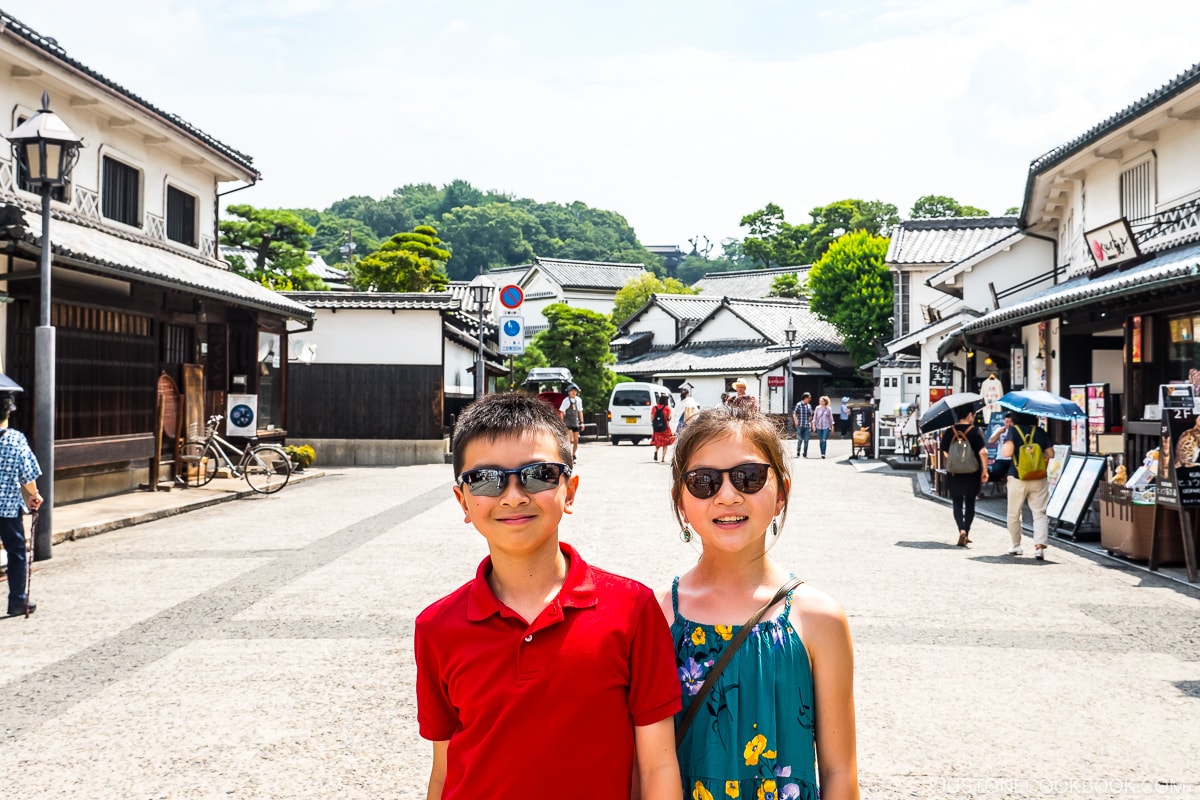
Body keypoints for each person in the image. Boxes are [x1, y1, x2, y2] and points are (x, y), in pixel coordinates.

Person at [415, 392, 682, 798]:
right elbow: (444, 770)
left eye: (538, 474)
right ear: (463, 501)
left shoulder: (632, 610)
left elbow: (658, 765)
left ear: (569, 491)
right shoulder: (437, 626)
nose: (513, 495)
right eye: (486, 478)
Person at [661, 405, 859, 799]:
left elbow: (839, 771)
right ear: (681, 501)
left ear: (782, 492)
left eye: (748, 478)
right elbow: (645, 765)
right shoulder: (658, 614)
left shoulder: (818, 619)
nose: (728, 496)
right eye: (703, 482)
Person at [0, 392, 43, 617]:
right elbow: (27, 474)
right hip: (6, 508)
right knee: (16, 552)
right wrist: (34, 495)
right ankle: (17, 601)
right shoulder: (15, 439)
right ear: (7, 412)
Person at [1000, 412, 1055, 559]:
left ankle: (1016, 545)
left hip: (1017, 478)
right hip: (1038, 478)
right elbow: (1051, 453)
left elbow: (1007, 452)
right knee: (1039, 513)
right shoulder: (1040, 431)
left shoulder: (1012, 431)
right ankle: (1039, 547)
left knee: (1014, 513)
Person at [938, 408, 989, 547]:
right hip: (972, 473)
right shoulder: (975, 431)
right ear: (969, 414)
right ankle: (966, 531)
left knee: (957, 503)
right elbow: (983, 452)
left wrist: (956, 461)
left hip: (954, 473)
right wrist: (985, 471)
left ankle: (961, 529)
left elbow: (944, 451)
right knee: (970, 503)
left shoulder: (950, 431)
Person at [557, 383, 583, 460]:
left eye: (575, 391)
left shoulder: (578, 400)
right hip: (568, 423)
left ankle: (573, 455)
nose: (573, 392)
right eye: (572, 391)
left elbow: (580, 412)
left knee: (576, 441)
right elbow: (561, 412)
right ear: (568, 392)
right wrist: (561, 423)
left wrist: (582, 422)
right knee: (570, 440)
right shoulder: (565, 401)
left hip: (575, 423)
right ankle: (568, 455)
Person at [651, 393, 675, 463]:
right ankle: (663, 458)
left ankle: (656, 451)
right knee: (665, 443)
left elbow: (652, 417)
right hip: (665, 428)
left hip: (656, 428)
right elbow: (669, 417)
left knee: (658, 442)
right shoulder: (667, 408)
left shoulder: (654, 408)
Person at [792, 391, 814, 458]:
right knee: (800, 439)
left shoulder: (809, 406)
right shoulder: (799, 404)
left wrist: (811, 423)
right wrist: (796, 421)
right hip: (800, 425)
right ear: (805, 398)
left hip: (807, 425)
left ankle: (805, 453)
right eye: (809, 397)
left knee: (806, 440)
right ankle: (798, 452)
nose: (810, 399)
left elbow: (810, 415)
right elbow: (794, 413)